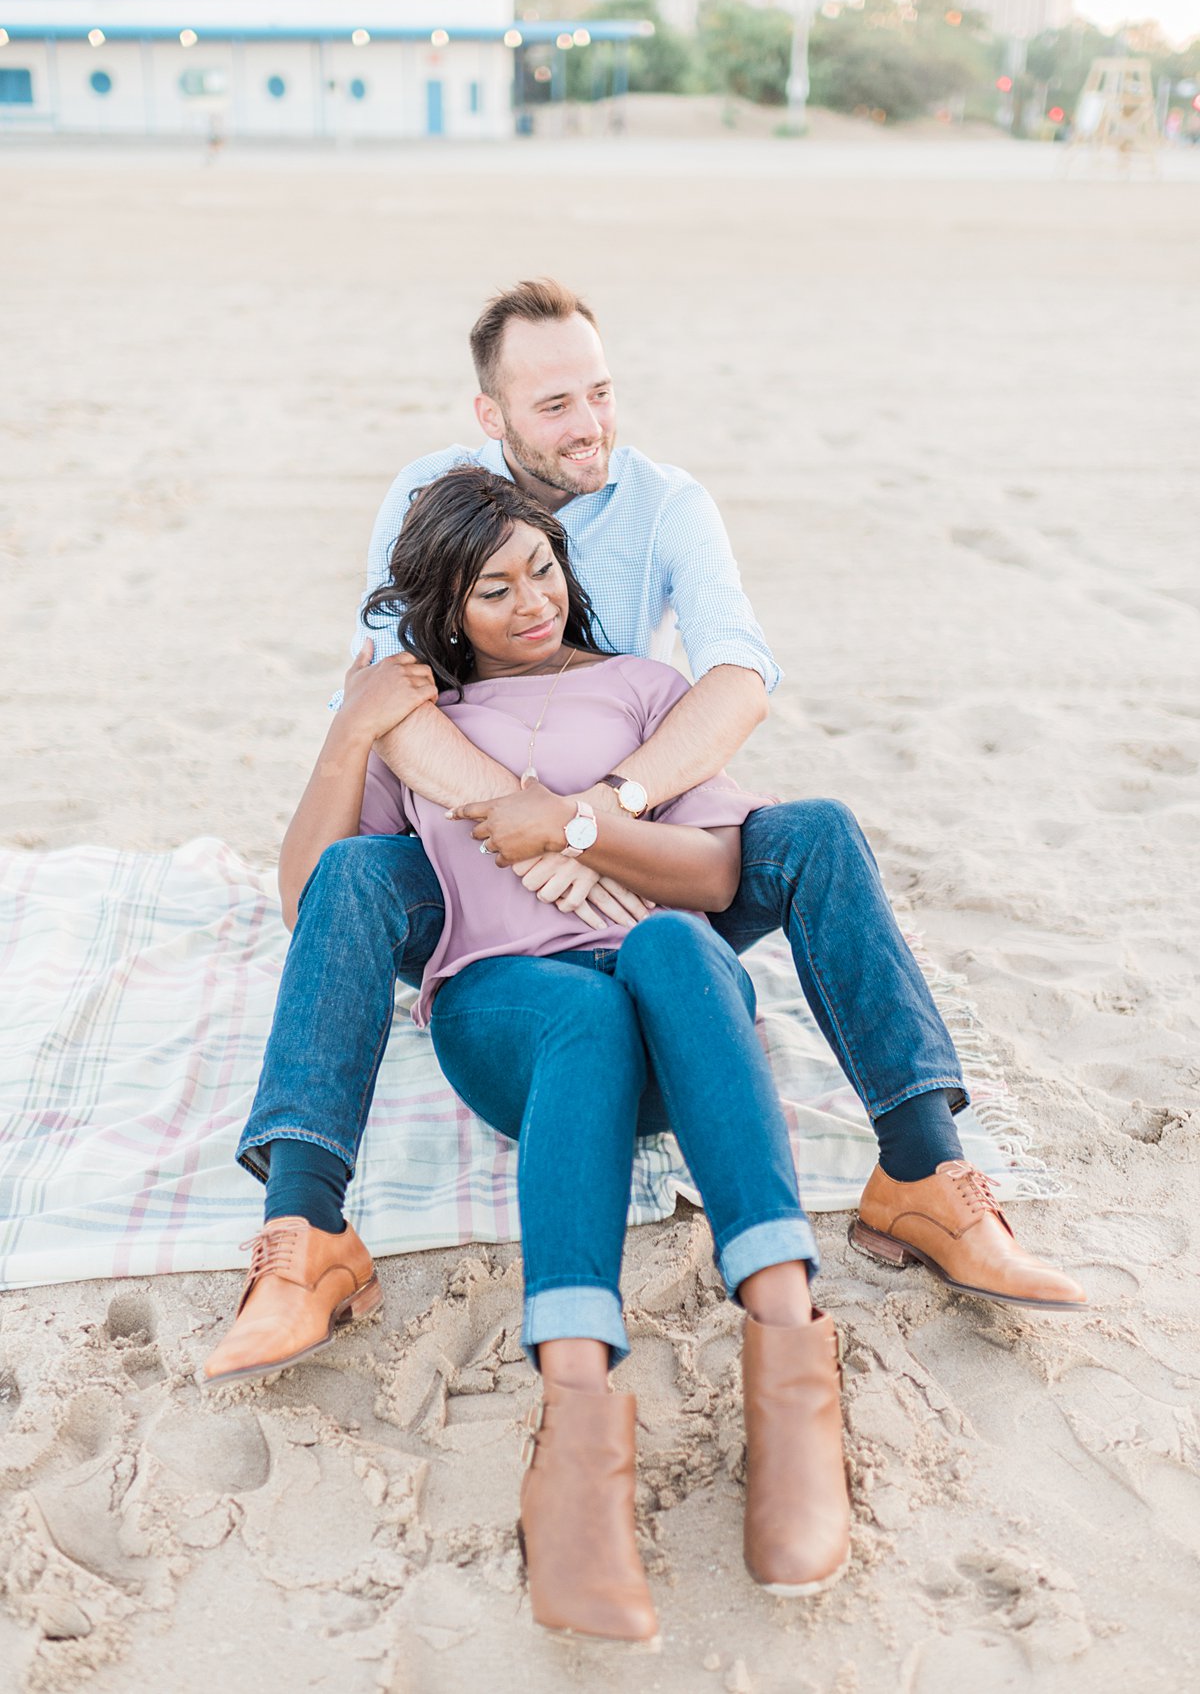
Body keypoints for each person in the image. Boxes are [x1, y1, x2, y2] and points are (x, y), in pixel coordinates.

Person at [321, 276, 1088, 1314]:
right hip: (474, 852)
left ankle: (919, 1169)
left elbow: (738, 675)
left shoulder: (667, 502)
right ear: (490, 417)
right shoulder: (433, 490)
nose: (588, 424)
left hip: (645, 853)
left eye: (600, 391)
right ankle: (304, 1218)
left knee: (816, 833)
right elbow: (389, 688)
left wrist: (600, 808)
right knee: (355, 872)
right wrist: (524, 821)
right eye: (554, 405)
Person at [205, 469, 854, 1638]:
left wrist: (585, 824)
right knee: (580, 1015)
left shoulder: (646, 688)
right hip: (511, 1017)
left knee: (666, 947)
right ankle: (574, 1420)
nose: (530, 602)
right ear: (448, 612)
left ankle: (791, 1363)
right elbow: (319, 898)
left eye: (542, 569)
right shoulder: (424, 732)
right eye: (494, 589)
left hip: (679, 1026)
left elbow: (716, 874)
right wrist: (352, 729)